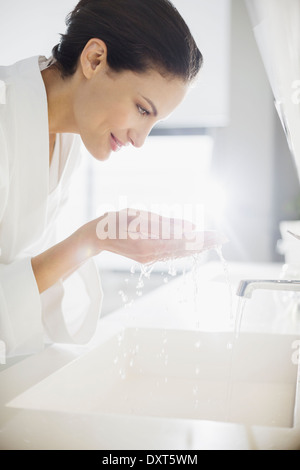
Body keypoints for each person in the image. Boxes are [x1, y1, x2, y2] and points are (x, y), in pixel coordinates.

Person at [0, 0, 225, 357]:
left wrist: (103, 235)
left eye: (154, 122)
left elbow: (24, 288)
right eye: (141, 109)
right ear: (94, 59)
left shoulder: (68, 140)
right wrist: (94, 237)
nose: (139, 140)